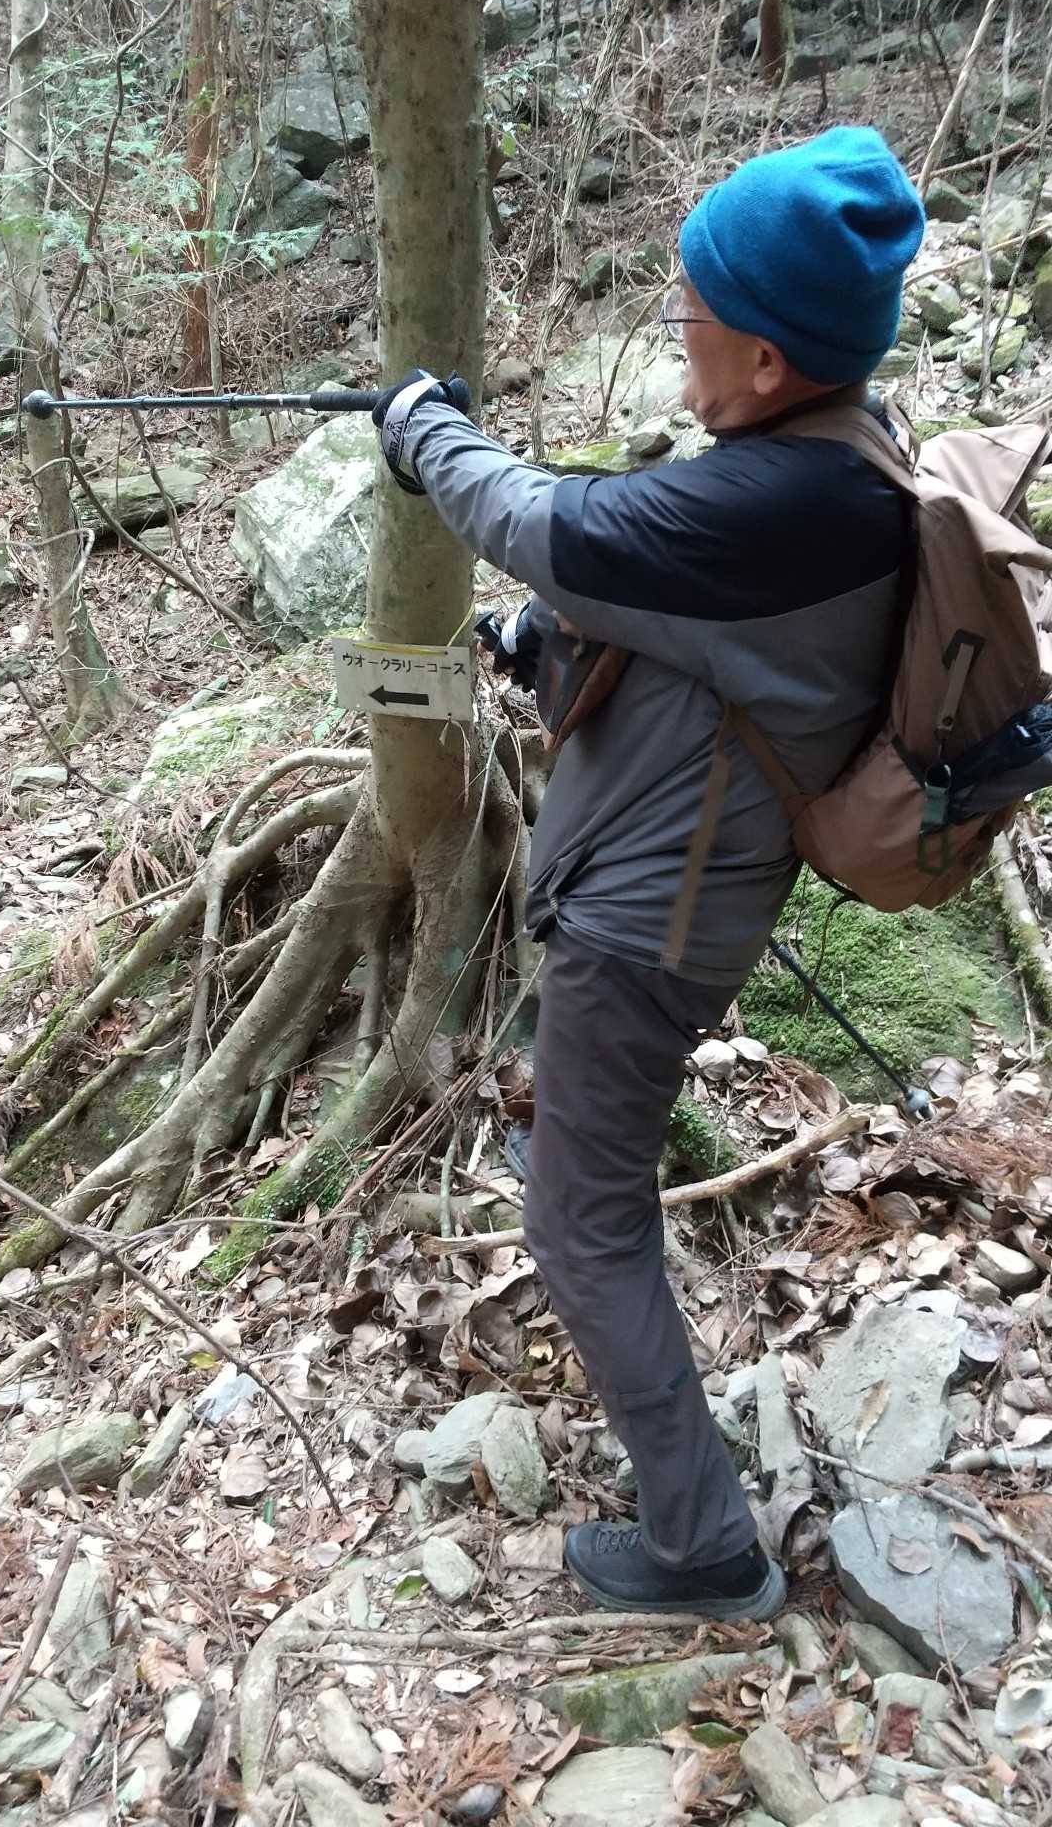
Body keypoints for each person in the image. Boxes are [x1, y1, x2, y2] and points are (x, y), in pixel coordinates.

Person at [371, 126, 924, 1619]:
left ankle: (703, 1549)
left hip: (647, 927)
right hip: (676, 889)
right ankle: (586, 1175)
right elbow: (709, 647)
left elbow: (548, 523)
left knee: (578, 1227)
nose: (676, 328)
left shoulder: (780, 503)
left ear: (766, 358)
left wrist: (424, 431)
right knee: (588, 1187)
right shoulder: (836, 461)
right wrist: (547, 648)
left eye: (694, 311)